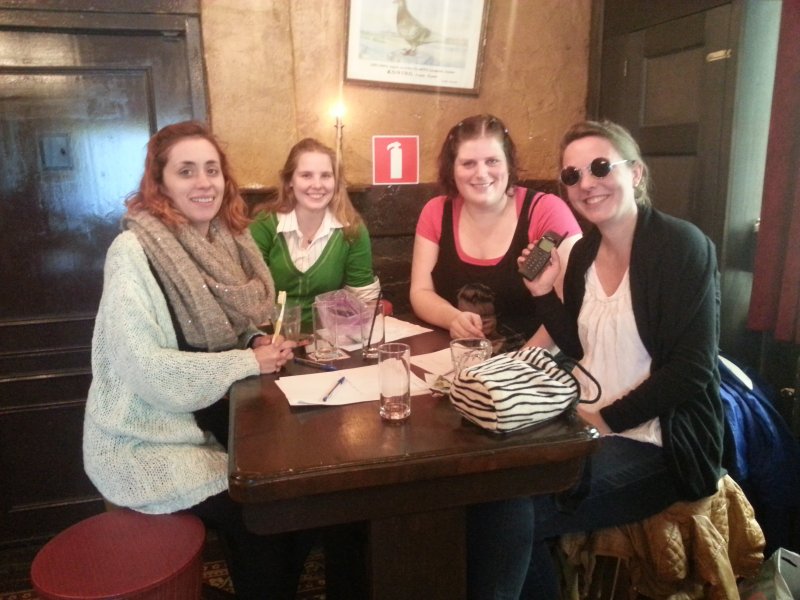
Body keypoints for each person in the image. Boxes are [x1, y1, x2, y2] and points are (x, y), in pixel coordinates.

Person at [466, 120, 727, 598]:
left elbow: (692, 369)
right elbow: (579, 344)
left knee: (508, 510)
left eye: (601, 167)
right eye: (572, 175)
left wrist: (603, 421)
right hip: (585, 425)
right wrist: (542, 293)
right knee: (488, 488)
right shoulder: (583, 252)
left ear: (637, 173)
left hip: (657, 443)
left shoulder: (681, 246)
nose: (587, 183)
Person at [82, 121, 314, 600]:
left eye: (212, 169)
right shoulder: (133, 251)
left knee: (300, 496)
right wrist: (247, 363)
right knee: (261, 513)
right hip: (146, 441)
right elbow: (148, 370)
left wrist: (253, 339)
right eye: (186, 171)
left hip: (207, 420)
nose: (204, 182)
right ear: (160, 183)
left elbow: (225, 328)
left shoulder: (224, 239)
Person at [410, 114, 582, 352]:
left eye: (492, 161)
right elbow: (421, 292)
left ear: (508, 164)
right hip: (459, 357)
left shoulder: (547, 211)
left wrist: (518, 363)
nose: (481, 173)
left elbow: (570, 302)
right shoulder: (436, 211)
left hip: (537, 358)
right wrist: (453, 318)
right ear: (452, 170)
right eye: (468, 163)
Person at [250, 137, 379, 330]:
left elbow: (364, 299)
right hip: (270, 336)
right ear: (290, 181)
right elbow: (250, 298)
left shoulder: (352, 230)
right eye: (306, 175)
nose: (317, 185)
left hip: (330, 338)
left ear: (336, 182)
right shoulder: (265, 224)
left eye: (326, 176)